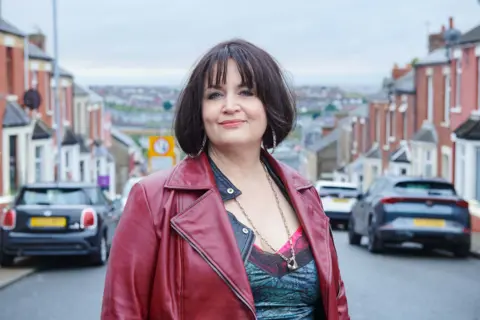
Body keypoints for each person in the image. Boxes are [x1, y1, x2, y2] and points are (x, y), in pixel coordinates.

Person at [101, 39, 350, 320]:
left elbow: (336, 306)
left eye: (246, 92)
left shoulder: (305, 194)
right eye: (215, 95)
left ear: (270, 104)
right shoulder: (153, 199)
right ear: (199, 110)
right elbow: (122, 312)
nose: (230, 106)